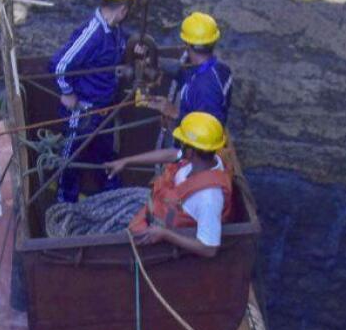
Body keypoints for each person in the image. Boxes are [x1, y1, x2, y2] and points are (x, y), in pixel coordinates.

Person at [48, 111, 229, 259]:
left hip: (160, 235)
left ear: (192, 150)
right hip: (153, 211)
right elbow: (170, 154)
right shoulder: (200, 160)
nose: (180, 146)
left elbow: (209, 248)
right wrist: (126, 161)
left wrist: (165, 235)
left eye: (183, 143)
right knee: (89, 213)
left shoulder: (208, 198)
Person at [48, 0, 139, 203]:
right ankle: (64, 201)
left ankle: (110, 192)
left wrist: (134, 46)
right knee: (72, 156)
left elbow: (121, 41)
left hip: (103, 109)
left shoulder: (114, 29)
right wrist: (67, 93)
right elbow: (60, 65)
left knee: (105, 152)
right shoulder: (93, 34)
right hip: (83, 110)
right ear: (123, 10)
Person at [144, 12, 233, 132]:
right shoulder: (220, 69)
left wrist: (174, 112)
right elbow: (188, 74)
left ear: (186, 44)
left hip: (192, 145)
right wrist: (157, 62)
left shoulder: (204, 89)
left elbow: (206, 132)